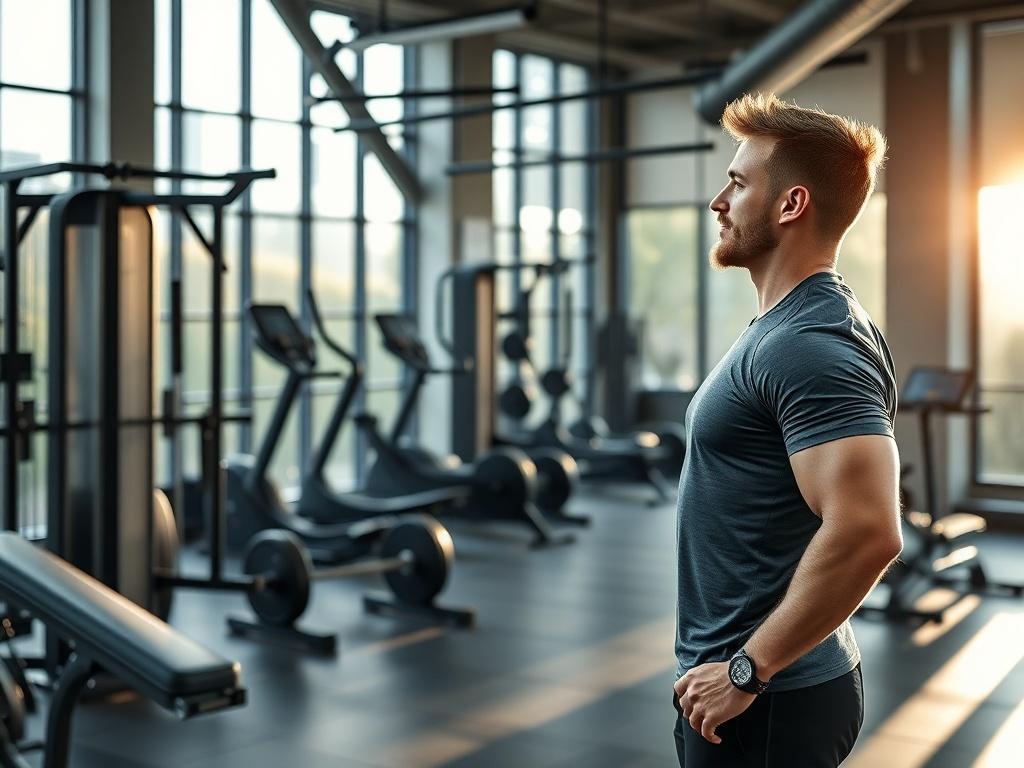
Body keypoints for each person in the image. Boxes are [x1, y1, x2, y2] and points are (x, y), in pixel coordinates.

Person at [671, 92, 903, 767]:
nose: (719, 200)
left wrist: (746, 670)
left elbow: (868, 530)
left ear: (791, 204)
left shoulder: (808, 342)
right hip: (759, 689)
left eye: (738, 183)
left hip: (765, 699)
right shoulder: (790, 326)